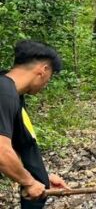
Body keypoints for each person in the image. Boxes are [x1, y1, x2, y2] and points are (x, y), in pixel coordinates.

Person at [1, 41, 69, 208]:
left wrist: (42, 176)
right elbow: (1, 150)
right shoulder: (4, 92)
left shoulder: (13, 94)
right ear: (43, 70)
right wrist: (29, 182)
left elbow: (15, 147)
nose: (46, 84)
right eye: (50, 76)